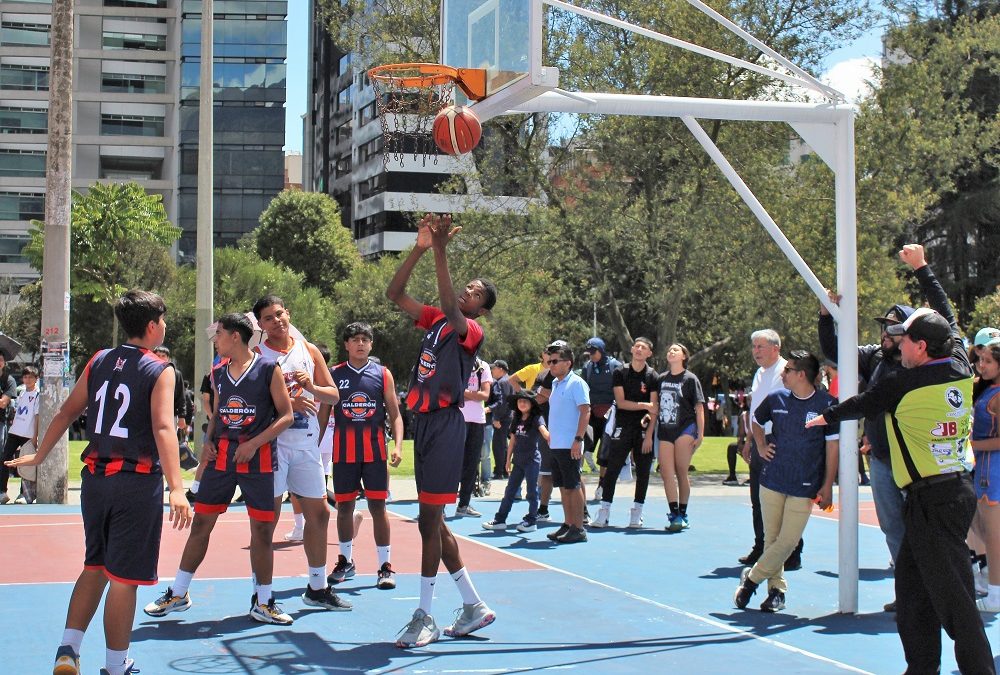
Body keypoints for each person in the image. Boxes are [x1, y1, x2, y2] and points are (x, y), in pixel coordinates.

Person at [6, 289, 192, 675]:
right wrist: (176, 487)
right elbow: (162, 427)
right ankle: (115, 665)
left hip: (95, 481)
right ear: (154, 325)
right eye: (165, 321)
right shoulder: (160, 369)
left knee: (94, 566)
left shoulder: (100, 359)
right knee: (124, 580)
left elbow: (65, 412)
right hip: (135, 482)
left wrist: (39, 456)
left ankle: (67, 650)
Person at [807, 308, 994, 674]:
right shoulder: (959, 365)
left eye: (903, 338)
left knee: (955, 599)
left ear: (921, 346)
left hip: (935, 498)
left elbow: (863, 404)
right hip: (947, 492)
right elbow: (952, 325)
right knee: (912, 591)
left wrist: (824, 417)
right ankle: (921, 666)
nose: (896, 343)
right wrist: (923, 270)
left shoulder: (903, 384)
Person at [818, 243, 954, 611]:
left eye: (895, 330)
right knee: (893, 528)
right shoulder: (874, 356)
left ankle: (940, 592)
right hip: (882, 460)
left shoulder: (928, 366)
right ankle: (909, 591)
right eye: (885, 329)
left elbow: (948, 321)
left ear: (915, 340)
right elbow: (835, 349)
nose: (887, 335)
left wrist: (922, 268)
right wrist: (826, 314)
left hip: (921, 465)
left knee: (928, 532)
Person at [386, 212, 497, 648]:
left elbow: (452, 308)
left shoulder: (470, 329)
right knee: (432, 522)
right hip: (425, 425)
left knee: (429, 520)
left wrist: (441, 250)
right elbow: (394, 293)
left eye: (475, 292)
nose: (468, 291)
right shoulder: (433, 320)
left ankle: (425, 615)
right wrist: (419, 247)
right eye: (467, 285)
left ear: (482, 308)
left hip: (448, 425)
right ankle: (473, 605)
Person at [143, 312, 295, 625]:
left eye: (220, 334)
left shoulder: (268, 369)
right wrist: (208, 443)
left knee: (262, 532)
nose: (216, 340)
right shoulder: (218, 372)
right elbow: (217, 415)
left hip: (260, 460)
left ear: (236, 337)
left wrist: (254, 444)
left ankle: (264, 602)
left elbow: (286, 416)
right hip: (222, 459)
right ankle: (179, 592)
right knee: (201, 525)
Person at [253, 295, 350, 612]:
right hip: (274, 445)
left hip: (306, 446)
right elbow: (250, 403)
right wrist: (288, 404)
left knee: (320, 514)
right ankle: (262, 594)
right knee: (266, 521)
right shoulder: (257, 355)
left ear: (288, 313)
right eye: (268, 318)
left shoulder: (307, 351)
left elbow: (333, 395)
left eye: (279, 313)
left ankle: (317, 586)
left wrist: (311, 387)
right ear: (261, 325)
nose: (276, 320)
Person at [733, 351, 838, 612]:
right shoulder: (776, 398)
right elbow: (755, 420)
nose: (783, 373)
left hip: (805, 485)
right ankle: (776, 592)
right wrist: (760, 444)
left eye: (788, 370)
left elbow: (832, 448)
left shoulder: (827, 404)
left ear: (801, 374)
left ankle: (751, 580)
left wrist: (827, 485)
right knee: (772, 540)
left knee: (788, 542)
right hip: (772, 480)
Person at [327, 322, 404, 591]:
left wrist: (397, 446)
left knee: (378, 508)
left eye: (365, 339)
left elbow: (395, 414)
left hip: (375, 452)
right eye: (355, 339)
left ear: (371, 344)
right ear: (346, 344)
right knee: (344, 508)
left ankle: (385, 567)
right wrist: (315, 447)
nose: (360, 343)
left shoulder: (383, 374)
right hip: (344, 453)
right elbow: (323, 415)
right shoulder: (334, 374)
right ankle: (345, 561)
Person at [738, 330, 794, 568]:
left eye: (760, 346)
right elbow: (755, 410)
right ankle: (761, 546)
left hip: (778, 440)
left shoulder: (786, 372)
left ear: (775, 348)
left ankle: (790, 551)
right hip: (759, 438)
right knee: (757, 498)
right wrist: (750, 440)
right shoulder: (759, 374)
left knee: (782, 499)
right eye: (754, 346)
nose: (755, 351)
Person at [592, 337, 658, 529]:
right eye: (636, 346)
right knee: (612, 469)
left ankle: (637, 512)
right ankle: (604, 511)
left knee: (643, 471)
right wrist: (644, 405)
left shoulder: (652, 376)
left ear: (649, 353)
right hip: (622, 426)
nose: (638, 349)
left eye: (643, 347)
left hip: (643, 430)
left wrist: (650, 434)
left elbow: (655, 409)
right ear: (631, 349)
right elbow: (621, 403)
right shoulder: (620, 372)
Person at [542, 343, 591, 544]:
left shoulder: (577, 383)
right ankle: (569, 523)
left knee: (573, 485)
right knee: (562, 487)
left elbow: (585, 410)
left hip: (570, 443)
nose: (550, 365)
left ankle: (578, 528)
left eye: (555, 361)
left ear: (568, 363)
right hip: (556, 444)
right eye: (549, 361)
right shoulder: (555, 384)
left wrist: (578, 439)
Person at [482, 389, 549, 532]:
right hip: (518, 461)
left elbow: (544, 432)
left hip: (532, 460)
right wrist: (507, 460)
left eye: (525, 401)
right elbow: (512, 440)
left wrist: (550, 437)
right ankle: (500, 519)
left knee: (532, 492)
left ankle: (531, 521)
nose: (522, 403)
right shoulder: (516, 418)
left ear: (531, 404)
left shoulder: (537, 418)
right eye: (519, 401)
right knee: (510, 491)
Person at [657, 343, 706, 531]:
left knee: (681, 471)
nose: (671, 352)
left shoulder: (690, 379)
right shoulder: (661, 378)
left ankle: (683, 512)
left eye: (675, 350)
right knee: (666, 473)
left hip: (685, 428)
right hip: (665, 429)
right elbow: (656, 405)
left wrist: (700, 434)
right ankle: (674, 513)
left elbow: (699, 407)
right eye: (669, 350)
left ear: (684, 356)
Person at [970, 338, 1000, 611]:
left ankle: (995, 593)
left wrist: (973, 445)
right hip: (983, 466)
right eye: (982, 359)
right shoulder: (985, 390)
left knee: (992, 534)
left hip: (993, 467)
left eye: (989, 361)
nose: (982, 365)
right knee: (980, 528)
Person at [581, 337, 621, 482]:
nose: (591, 355)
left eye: (594, 351)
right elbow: (583, 390)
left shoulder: (615, 365)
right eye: (589, 352)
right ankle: (576, 481)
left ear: (602, 350)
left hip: (610, 414)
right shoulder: (588, 367)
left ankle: (603, 483)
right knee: (583, 445)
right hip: (592, 413)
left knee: (605, 451)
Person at [455, 357, 491, 516]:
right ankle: (440, 506)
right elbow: (450, 391)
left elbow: (485, 395)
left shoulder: (482, 366)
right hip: (456, 418)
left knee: (472, 464)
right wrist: (471, 394)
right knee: (452, 463)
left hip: (477, 420)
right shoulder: (453, 360)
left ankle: (464, 504)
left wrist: (464, 393)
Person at [1, 365, 40, 503]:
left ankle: (24, 494)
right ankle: (2, 491)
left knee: (25, 464)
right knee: (5, 459)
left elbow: (37, 417)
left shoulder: (38, 395)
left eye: (30, 377)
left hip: (27, 434)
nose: (27, 379)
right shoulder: (22, 393)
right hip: (15, 431)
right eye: (25, 377)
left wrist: (35, 437)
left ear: (36, 378)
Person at [485, 359, 515, 496]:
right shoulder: (509, 380)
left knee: (498, 445)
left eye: (494, 368)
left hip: (502, 417)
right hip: (509, 416)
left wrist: (496, 417)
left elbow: (501, 402)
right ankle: (503, 469)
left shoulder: (501, 382)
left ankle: (500, 471)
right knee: (503, 445)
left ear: (501, 369)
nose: (492, 371)